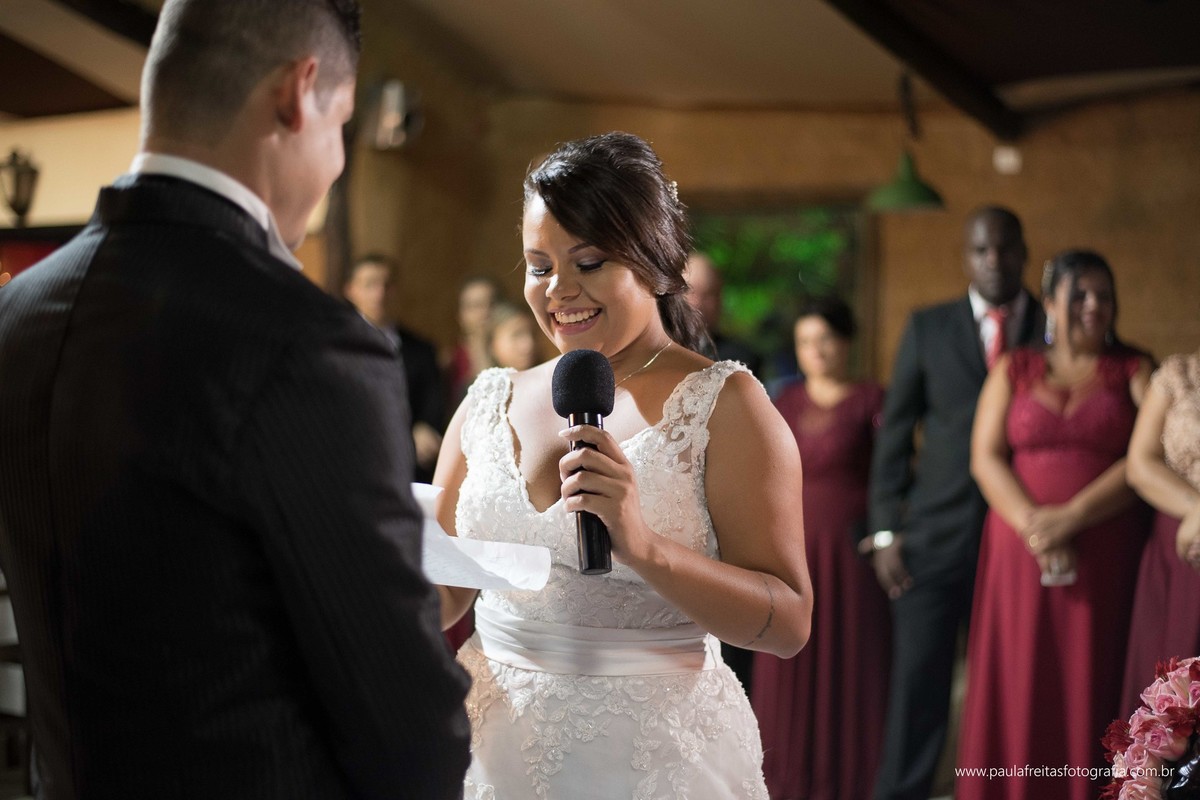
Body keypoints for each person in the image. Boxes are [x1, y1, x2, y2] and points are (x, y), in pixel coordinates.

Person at [0, 1, 471, 796]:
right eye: (343, 128)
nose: (334, 168)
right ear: (300, 91)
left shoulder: (20, 312)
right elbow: (406, 725)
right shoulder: (306, 340)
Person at [432, 132, 813, 799]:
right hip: (494, 755)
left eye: (588, 261)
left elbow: (788, 624)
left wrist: (644, 549)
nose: (558, 290)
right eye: (538, 264)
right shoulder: (486, 402)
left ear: (658, 267)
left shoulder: (727, 407)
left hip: (654, 765)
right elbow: (440, 597)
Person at [956, 250, 1153, 800]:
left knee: (1095, 673)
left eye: (1104, 296)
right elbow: (985, 457)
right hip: (1019, 551)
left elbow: (1145, 457)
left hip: (1104, 548)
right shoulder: (1014, 368)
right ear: (1053, 301)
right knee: (1021, 675)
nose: (1095, 306)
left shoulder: (1135, 370)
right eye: (1081, 294)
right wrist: (1034, 528)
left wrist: (1071, 517)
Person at [868, 206, 1045, 800]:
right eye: (981, 251)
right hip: (933, 539)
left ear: (1024, 250)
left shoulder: (1054, 325)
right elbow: (893, 439)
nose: (994, 261)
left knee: (1020, 687)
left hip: (1024, 537)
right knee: (919, 687)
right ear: (966, 257)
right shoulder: (928, 327)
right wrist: (886, 532)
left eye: (1004, 248)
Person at [751, 296, 889, 800]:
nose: (817, 351)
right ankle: (785, 781)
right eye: (806, 342)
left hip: (850, 558)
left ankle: (853, 780)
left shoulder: (874, 400)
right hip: (789, 553)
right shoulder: (780, 403)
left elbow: (892, 478)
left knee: (851, 663)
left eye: (826, 339)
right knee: (789, 662)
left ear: (846, 342)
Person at [1120, 345, 1200, 713]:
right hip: (1176, 552)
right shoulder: (1177, 373)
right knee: (1167, 702)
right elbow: (1140, 463)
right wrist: (1196, 510)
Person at [343, 252, 446, 482]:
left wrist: (424, 427)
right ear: (351, 290)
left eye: (386, 285)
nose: (379, 294)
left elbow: (432, 405)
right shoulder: (333, 346)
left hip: (407, 468)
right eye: (370, 285)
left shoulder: (421, 349)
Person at [684, 251, 764, 375]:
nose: (697, 303)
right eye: (690, 292)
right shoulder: (649, 354)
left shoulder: (742, 362)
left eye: (708, 294)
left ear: (720, 300)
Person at [446, 274, 503, 405]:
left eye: (492, 304)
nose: (485, 312)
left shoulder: (518, 354)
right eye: (476, 306)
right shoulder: (450, 363)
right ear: (461, 315)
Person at [486, 300, 543, 371]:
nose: (529, 345)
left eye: (533, 334)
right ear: (492, 344)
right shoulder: (481, 382)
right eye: (517, 335)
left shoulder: (553, 379)